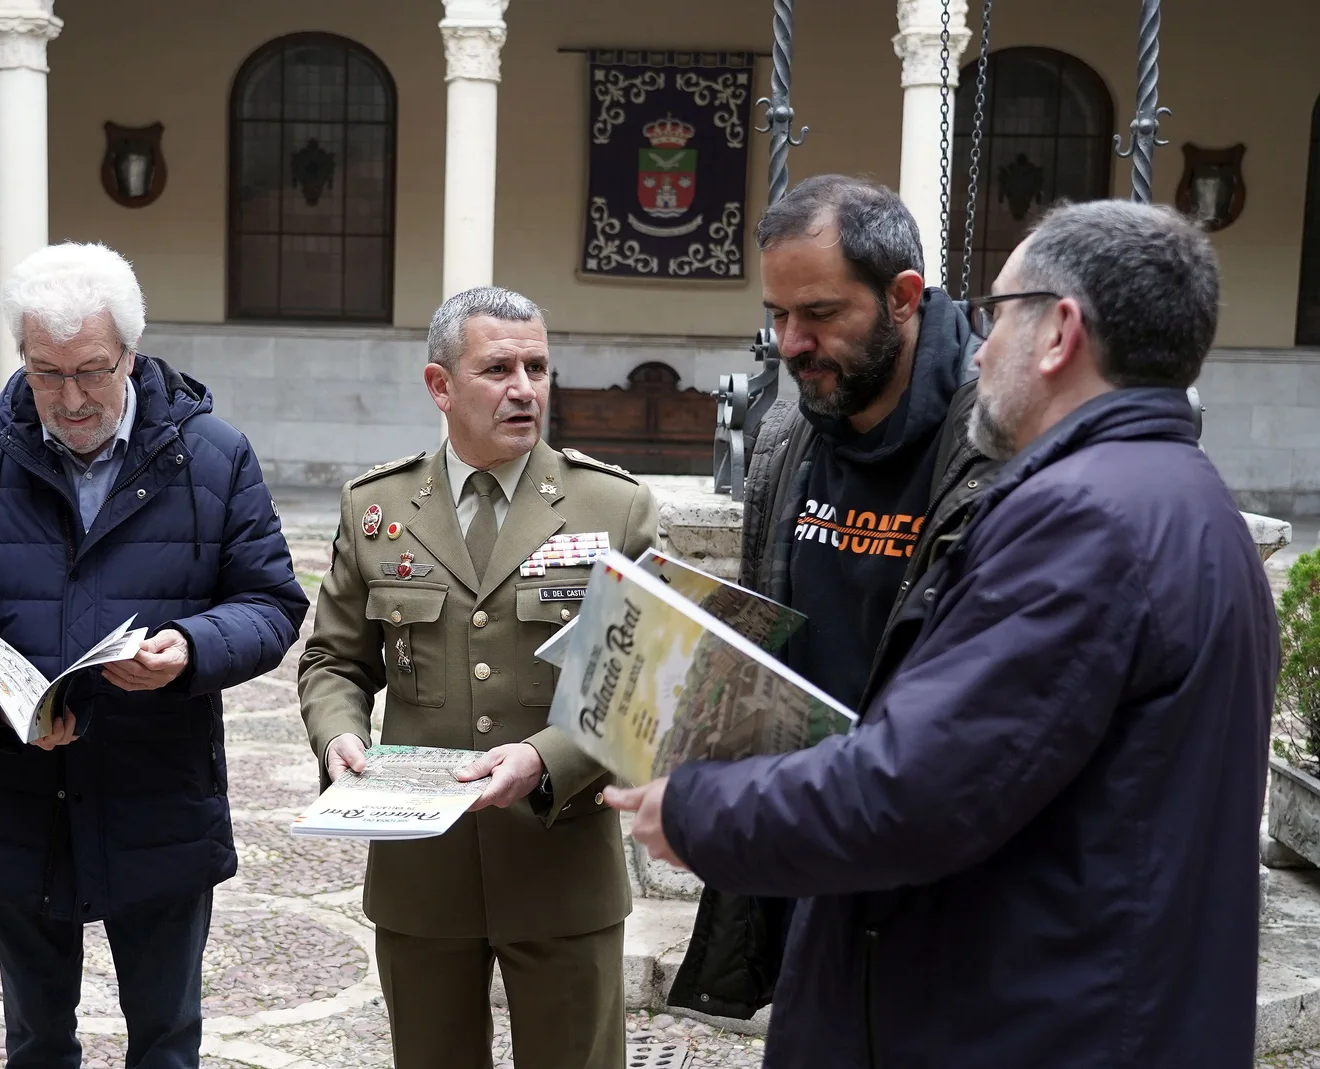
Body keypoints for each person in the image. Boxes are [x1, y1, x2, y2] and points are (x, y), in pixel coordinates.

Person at [613, 201, 1279, 1067]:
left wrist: (698, 809)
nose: (979, 344)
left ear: (1059, 332)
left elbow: (916, 790)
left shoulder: (1087, 522)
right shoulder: (1181, 498)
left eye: (996, 315)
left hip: (1016, 1018)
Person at [0, 242, 308, 1069]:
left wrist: (189, 649)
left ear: (131, 354)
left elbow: (272, 601)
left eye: (91, 370)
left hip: (161, 795)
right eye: (46, 373)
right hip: (21, 796)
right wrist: (6, 709)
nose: (71, 398)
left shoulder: (214, 455)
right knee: (38, 1041)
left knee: (165, 1040)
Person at [299, 287, 660, 1069]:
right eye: (498, 368)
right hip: (423, 876)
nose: (524, 388)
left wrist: (544, 759)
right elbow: (334, 660)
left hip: (560, 864)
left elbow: (636, 685)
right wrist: (339, 738)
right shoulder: (378, 507)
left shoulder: (615, 507)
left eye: (537, 366)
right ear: (441, 386)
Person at [667, 174, 999, 1018]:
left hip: (932, 868)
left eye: (818, 314)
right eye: (777, 315)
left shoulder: (999, 448)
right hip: (804, 841)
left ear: (902, 297)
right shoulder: (787, 433)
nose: (790, 343)